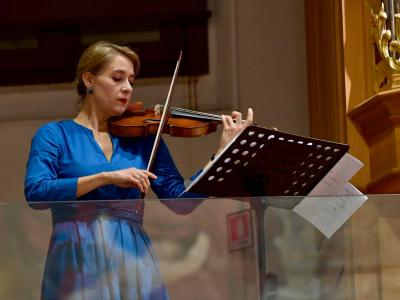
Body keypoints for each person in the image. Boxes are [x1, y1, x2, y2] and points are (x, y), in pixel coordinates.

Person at [25, 41, 253, 300]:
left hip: (130, 252)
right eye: (117, 78)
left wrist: (220, 156)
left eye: (131, 80)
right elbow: (36, 192)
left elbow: (180, 202)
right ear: (89, 79)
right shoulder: (55, 135)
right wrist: (106, 177)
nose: (128, 88)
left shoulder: (144, 138)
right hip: (77, 252)